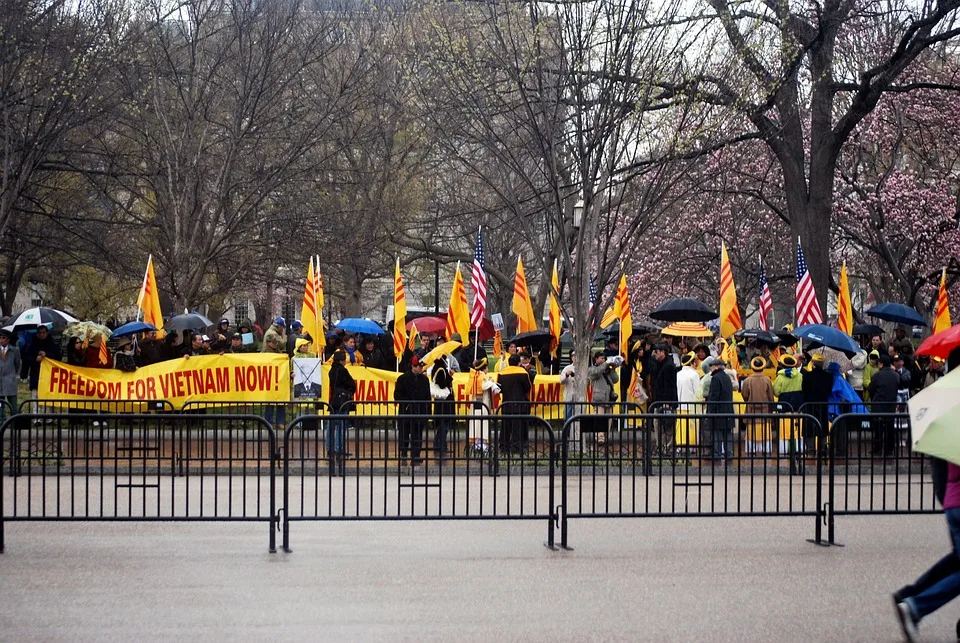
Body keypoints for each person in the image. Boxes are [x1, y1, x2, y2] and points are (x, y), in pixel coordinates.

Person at [893, 347, 960, 643]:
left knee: (957, 561)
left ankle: (912, 596)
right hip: (957, 494)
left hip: (951, 494)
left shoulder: (943, 400)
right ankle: (916, 604)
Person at [394, 355, 431, 466]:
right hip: (407, 412)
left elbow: (427, 397)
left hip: (420, 412)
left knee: (418, 435)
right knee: (404, 434)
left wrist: (428, 412)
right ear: (414, 366)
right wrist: (408, 403)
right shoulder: (403, 378)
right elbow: (397, 395)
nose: (421, 369)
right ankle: (403, 454)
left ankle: (416, 455)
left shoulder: (424, 379)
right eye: (419, 366)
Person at [20, 324, 61, 417]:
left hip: (49, 375)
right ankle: (36, 416)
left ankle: (48, 416)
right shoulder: (32, 345)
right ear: (37, 334)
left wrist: (46, 355)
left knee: (48, 396)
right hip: (36, 374)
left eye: (44, 333)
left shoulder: (52, 344)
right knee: (36, 396)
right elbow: (26, 359)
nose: (42, 335)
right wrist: (35, 358)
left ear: (47, 333)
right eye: (40, 333)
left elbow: (58, 357)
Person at [498, 353, 533, 453]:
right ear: (519, 362)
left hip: (506, 402)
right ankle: (516, 447)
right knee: (517, 425)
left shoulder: (502, 373)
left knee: (505, 425)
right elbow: (528, 387)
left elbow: (499, 388)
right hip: (519, 402)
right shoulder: (523, 372)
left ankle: (503, 446)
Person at [741, 356, 775, 454]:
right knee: (765, 431)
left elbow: (745, 395)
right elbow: (770, 396)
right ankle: (766, 449)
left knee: (752, 431)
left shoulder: (747, 380)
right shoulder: (767, 380)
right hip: (765, 410)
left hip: (751, 410)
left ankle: (752, 449)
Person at [868, 354, 900, 457]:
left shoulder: (877, 375)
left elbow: (871, 389)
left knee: (878, 430)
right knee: (889, 429)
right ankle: (889, 450)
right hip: (890, 406)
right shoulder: (896, 375)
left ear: (881, 364)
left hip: (878, 406)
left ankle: (877, 449)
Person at [587, 350, 620, 448]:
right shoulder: (592, 369)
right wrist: (605, 365)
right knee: (599, 418)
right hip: (599, 398)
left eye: (604, 358)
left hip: (608, 398)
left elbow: (615, 379)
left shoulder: (607, 369)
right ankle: (599, 438)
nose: (603, 360)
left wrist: (612, 369)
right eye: (601, 358)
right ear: (596, 359)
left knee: (608, 419)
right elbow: (596, 373)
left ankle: (605, 437)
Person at [801, 353, 833, 454]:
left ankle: (810, 449)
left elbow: (804, 389)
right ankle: (822, 448)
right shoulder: (828, 376)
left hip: (810, 404)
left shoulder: (807, 376)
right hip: (823, 404)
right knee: (823, 426)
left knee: (809, 427)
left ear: (813, 363)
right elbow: (829, 390)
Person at [327, 350, 356, 459]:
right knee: (341, 426)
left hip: (333, 400)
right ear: (342, 360)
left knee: (331, 425)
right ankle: (339, 449)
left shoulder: (331, 370)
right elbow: (352, 384)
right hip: (342, 401)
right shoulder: (342, 371)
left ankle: (330, 448)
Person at [467, 358, 500, 452]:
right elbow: (484, 385)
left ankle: (479, 443)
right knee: (480, 423)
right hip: (481, 404)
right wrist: (493, 385)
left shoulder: (479, 376)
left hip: (481, 404)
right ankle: (479, 444)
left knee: (479, 422)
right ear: (484, 368)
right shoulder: (479, 377)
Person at [650, 344, 678, 455]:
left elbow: (669, 386)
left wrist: (667, 402)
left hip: (666, 402)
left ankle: (668, 448)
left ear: (663, 352)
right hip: (658, 401)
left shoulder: (669, 366)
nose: (655, 354)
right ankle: (660, 446)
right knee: (658, 425)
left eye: (657, 352)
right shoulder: (659, 364)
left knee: (668, 427)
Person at [706, 358, 734, 463]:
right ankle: (729, 453)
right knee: (727, 433)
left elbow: (714, 395)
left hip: (718, 411)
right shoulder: (726, 377)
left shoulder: (715, 378)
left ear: (717, 366)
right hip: (728, 410)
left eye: (712, 366)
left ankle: (717, 454)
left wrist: (710, 410)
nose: (711, 368)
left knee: (717, 433)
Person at [430, 355, 454, 463]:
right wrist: (449, 376)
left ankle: (441, 444)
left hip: (440, 403)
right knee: (443, 425)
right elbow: (443, 384)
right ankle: (439, 445)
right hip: (444, 403)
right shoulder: (440, 370)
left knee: (442, 425)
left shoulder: (436, 368)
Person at [0, 330, 22, 423]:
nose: (1, 340)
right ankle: (1, 420)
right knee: (1, 404)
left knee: (13, 403)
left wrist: (13, 375)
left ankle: (15, 421)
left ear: (8, 340)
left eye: (4, 338)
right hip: (0, 380)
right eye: (0, 338)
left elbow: (17, 364)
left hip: (10, 380)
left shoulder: (14, 350)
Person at [560, 351, 578, 422]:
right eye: (573, 356)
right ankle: (567, 432)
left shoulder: (583, 368)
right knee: (568, 418)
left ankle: (577, 432)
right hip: (569, 397)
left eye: (576, 356)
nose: (575, 358)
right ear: (571, 358)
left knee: (578, 418)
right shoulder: (567, 368)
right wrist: (566, 375)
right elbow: (561, 381)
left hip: (579, 397)